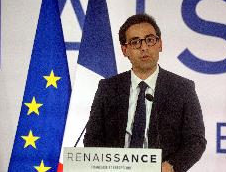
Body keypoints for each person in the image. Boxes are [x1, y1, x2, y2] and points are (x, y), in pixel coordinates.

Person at [84, 14, 206, 172]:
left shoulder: (182, 88)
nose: (144, 47)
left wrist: (170, 167)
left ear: (160, 44)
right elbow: (92, 138)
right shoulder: (108, 88)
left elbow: (196, 141)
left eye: (150, 40)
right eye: (135, 42)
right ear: (124, 50)